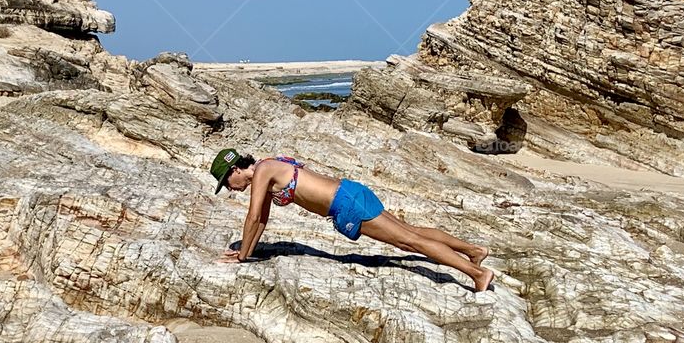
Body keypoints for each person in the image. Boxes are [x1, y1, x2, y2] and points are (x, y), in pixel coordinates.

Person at [210, 148, 494, 292]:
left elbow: (253, 215)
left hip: (346, 203)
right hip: (349, 193)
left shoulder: (263, 170)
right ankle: (474, 251)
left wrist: (241, 257)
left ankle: (477, 274)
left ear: (235, 170)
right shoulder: (269, 166)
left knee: (409, 241)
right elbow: (261, 220)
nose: (230, 189)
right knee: (411, 232)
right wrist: (245, 253)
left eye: (227, 182)